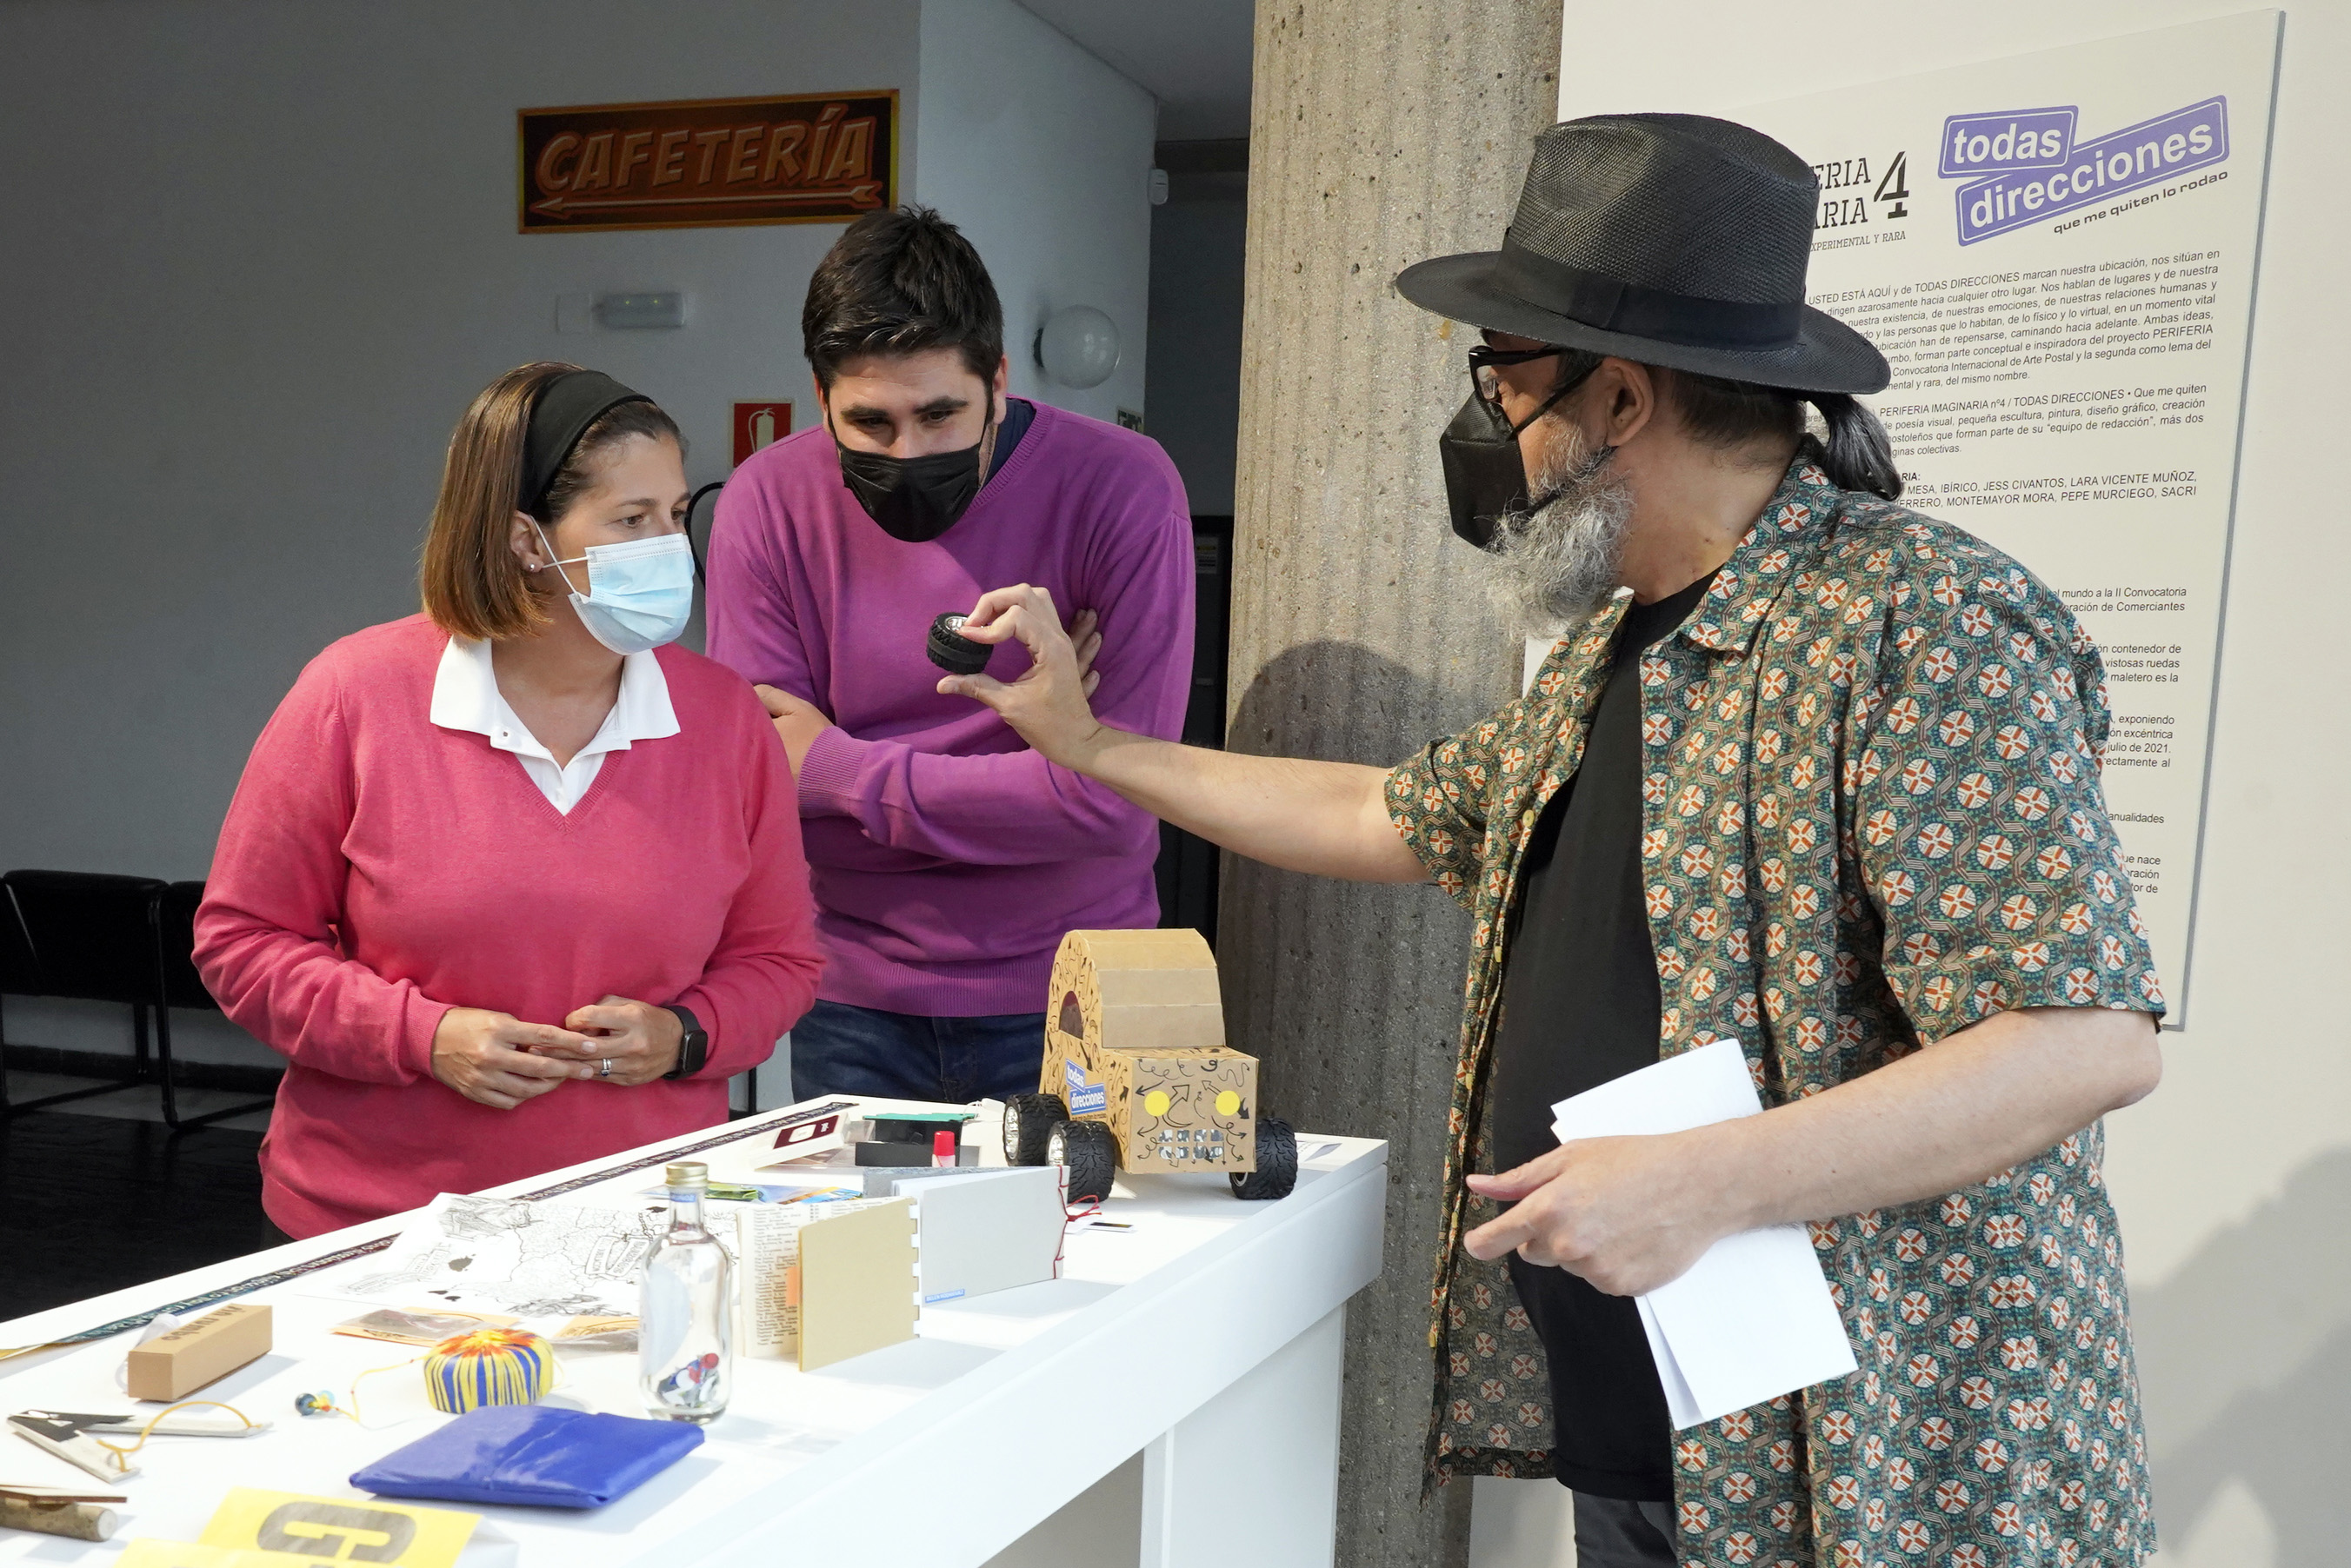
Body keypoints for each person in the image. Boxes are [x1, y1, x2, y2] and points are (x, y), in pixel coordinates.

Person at [933, 117, 2165, 1568]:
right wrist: (1088, 743)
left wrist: (1705, 1178)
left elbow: (2078, 1039)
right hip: (1657, 1425)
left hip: (1873, 1470)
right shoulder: (1612, 646)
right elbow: (1385, 814)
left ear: (1620, 396)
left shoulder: (1919, 619)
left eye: (1504, 382)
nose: (1488, 431)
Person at [196, 363, 823, 1238]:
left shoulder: (724, 718)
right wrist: (423, 1036)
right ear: (528, 539)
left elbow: (781, 960)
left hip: (639, 1221)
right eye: (631, 520)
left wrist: (688, 1034)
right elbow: (243, 944)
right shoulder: (354, 694)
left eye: (676, 514)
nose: (670, 549)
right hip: (375, 1229)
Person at [706, 205, 1193, 1106]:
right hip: (852, 1001)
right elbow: (763, 792)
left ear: (997, 380)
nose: (910, 451)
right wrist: (1051, 766)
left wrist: (837, 765)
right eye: (870, 423)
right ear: (820, 399)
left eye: (940, 415)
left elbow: (1117, 806)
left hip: (1078, 990)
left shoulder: (1121, 484)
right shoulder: (767, 501)